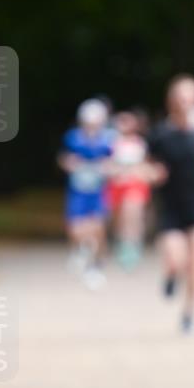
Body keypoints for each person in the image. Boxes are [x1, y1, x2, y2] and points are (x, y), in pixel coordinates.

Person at [148, 75, 194, 332]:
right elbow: (148, 163)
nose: (186, 102)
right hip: (171, 208)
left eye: (191, 98)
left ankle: (189, 313)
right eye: (181, 97)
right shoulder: (160, 135)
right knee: (177, 259)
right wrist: (153, 172)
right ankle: (170, 274)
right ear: (172, 101)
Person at [58, 98, 113, 290]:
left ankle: (96, 265)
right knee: (76, 229)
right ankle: (82, 249)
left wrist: (106, 168)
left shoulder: (107, 140)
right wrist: (70, 164)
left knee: (98, 229)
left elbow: (114, 163)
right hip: (78, 192)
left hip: (98, 192)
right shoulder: (73, 138)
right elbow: (63, 159)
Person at [106, 110, 151, 270]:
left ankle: (133, 246)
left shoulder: (140, 143)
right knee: (120, 218)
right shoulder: (111, 142)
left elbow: (146, 164)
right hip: (117, 185)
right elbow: (107, 164)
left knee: (133, 214)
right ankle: (122, 244)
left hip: (135, 184)